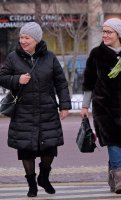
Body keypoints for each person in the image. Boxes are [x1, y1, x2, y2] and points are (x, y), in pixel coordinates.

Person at [0, 22, 71, 197]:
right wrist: (17, 80)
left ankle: (44, 177)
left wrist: (64, 105)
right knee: (26, 149)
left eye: (27, 38)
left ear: (37, 40)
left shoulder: (50, 57)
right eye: (21, 37)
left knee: (49, 148)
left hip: (47, 111)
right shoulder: (12, 57)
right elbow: (2, 77)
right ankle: (31, 184)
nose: (23, 41)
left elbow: (61, 82)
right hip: (23, 111)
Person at [80, 18, 121, 194]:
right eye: (104, 31)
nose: (105, 35)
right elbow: (89, 82)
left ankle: (112, 174)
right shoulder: (96, 54)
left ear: (118, 34)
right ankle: (120, 180)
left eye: (109, 32)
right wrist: (85, 106)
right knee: (113, 140)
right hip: (104, 106)